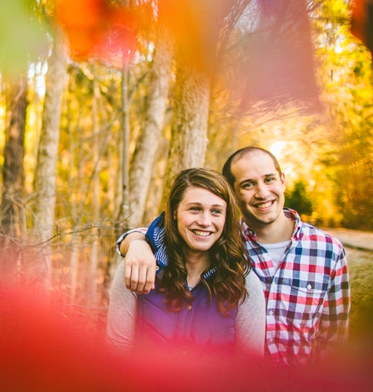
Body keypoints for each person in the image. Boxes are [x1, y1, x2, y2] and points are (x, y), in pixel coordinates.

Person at [116, 147, 350, 365]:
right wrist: (136, 243)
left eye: (269, 179)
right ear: (233, 194)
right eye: (248, 185)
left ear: (282, 180)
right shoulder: (221, 240)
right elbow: (163, 236)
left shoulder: (328, 250)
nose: (262, 192)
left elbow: (334, 341)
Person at [107, 168, 266, 356]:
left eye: (216, 211)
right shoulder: (136, 267)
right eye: (195, 209)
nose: (205, 221)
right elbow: (116, 356)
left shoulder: (244, 284)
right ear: (174, 212)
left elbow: (248, 370)